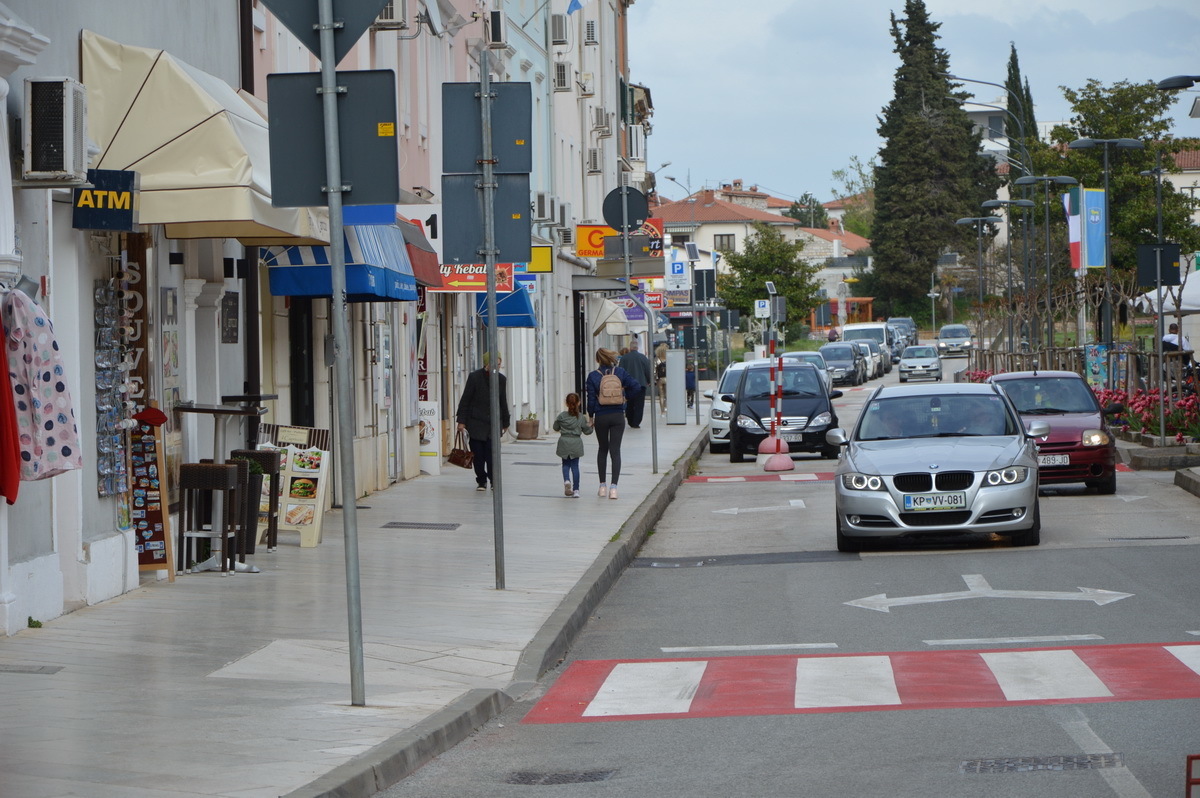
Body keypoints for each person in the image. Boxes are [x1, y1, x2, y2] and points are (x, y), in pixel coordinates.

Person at [585, 347, 639, 500]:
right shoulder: (620, 373)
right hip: (617, 416)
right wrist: (624, 398)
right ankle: (614, 488)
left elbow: (590, 400)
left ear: (597, 360)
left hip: (601, 416)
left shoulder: (593, 376)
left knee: (602, 449)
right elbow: (635, 386)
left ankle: (602, 486)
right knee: (615, 451)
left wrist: (591, 416)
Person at [455, 352, 510, 491]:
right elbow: (465, 400)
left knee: (492, 456)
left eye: (499, 364)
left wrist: (506, 423)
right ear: (486, 364)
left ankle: (493, 481)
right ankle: (481, 480)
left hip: (493, 424)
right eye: (494, 364)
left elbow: (503, 401)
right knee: (478, 456)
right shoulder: (474, 377)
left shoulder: (501, 380)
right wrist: (461, 421)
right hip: (475, 423)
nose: (497, 367)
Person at [552, 393, 592, 498]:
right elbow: (587, 431)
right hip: (576, 442)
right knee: (575, 466)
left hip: (564, 441)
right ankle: (576, 490)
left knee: (565, 464)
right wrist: (591, 427)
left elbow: (555, 427)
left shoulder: (561, 416)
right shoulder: (581, 418)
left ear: (566, 403)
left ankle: (566, 480)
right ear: (578, 403)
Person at [617, 337, 652, 428]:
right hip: (641, 384)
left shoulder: (624, 358)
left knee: (629, 403)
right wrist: (648, 381)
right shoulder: (643, 357)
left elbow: (620, 371)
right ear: (637, 348)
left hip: (628, 385)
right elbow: (648, 371)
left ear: (630, 347)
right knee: (639, 404)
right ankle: (636, 422)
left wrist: (621, 383)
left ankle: (630, 420)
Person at [654, 342, 668, 414]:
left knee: (661, 395)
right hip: (668, 378)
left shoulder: (657, 359)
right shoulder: (669, 358)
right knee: (667, 395)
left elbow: (654, 371)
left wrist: (655, 380)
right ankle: (666, 408)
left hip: (660, 379)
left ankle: (662, 410)